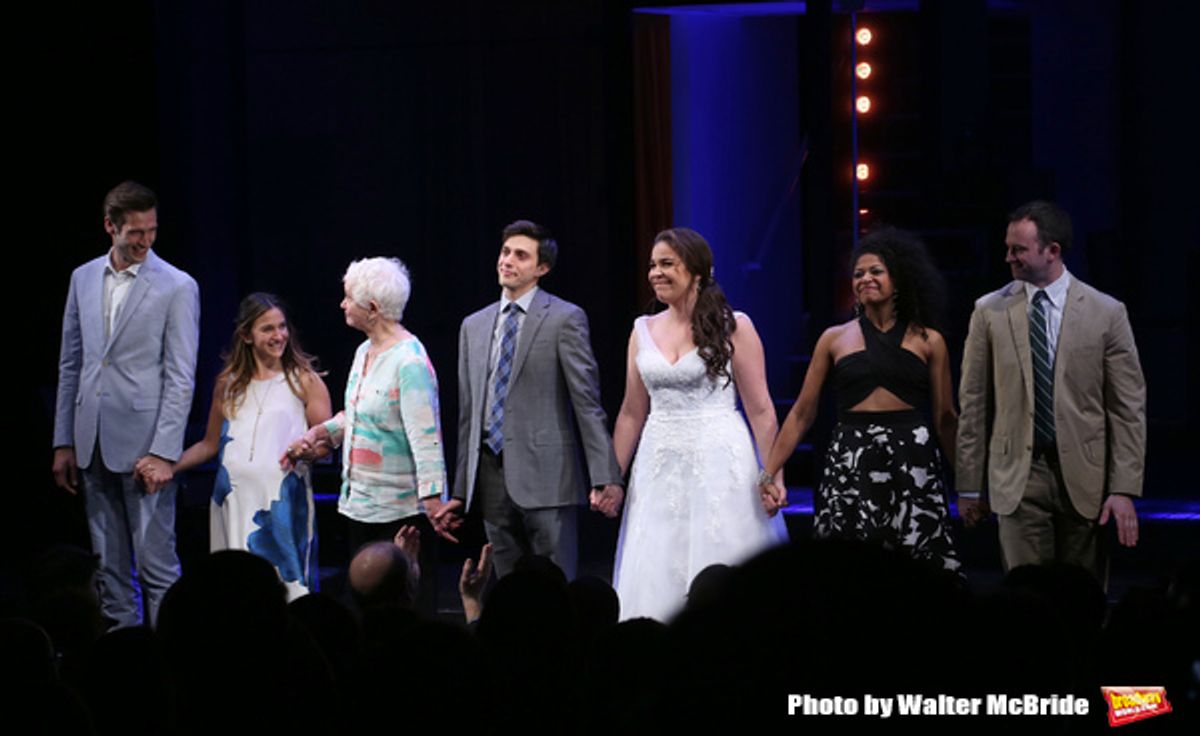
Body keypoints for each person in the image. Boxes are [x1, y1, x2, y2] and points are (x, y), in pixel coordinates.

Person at [956, 200, 1145, 584]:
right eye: (1008, 248)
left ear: (1052, 250)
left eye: (1018, 249)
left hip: (1085, 477)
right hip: (1017, 477)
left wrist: (1123, 488)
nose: (1008, 257)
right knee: (1026, 598)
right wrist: (969, 485)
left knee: (1084, 594)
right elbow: (973, 404)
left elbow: (1128, 408)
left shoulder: (1106, 312)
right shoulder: (988, 311)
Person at [610, 227, 788, 621]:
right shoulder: (642, 331)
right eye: (652, 265)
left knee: (721, 551)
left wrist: (772, 472)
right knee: (657, 559)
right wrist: (611, 477)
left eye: (667, 264)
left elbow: (761, 409)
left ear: (697, 272)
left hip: (719, 459)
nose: (656, 273)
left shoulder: (734, 325)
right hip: (659, 461)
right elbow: (631, 412)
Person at [761, 227, 961, 575]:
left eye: (875, 271)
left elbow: (946, 418)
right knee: (849, 567)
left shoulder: (929, 340)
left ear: (897, 280)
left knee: (916, 566)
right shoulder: (833, 339)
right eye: (858, 274)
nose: (865, 278)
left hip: (911, 458)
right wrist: (769, 471)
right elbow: (802, 414)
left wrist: (969, 484)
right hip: (852, 459)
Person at [438, 220, 623, 579]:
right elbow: (468, 416)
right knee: (508, 586)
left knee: (555, 581)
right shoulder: (473, 326)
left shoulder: (564, 318)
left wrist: (605, 475)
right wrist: (461, 489)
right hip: (491, 477)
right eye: (505, 252)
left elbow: (587, 403)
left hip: (547, 475)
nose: (507, 261)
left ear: (542, 268)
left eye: (520, 255)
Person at [52, 180, 200, 628]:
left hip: (145, 449)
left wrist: (163, 451)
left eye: (151, 230)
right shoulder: (82, 277)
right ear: (109, 226)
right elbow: (71, 363)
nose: (145, 241)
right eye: (135, 232)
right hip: (92, 440)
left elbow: (180, 375)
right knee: (107, 567)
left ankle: (169, 656)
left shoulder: (176, 285)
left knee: (156, 566)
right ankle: (123, 660)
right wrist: (64, 440)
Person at [285, 257, 449, 608]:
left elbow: (426, 436)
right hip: (361, 505)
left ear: (372, 308)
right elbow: (361, 414)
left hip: (398, 512)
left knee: (400, 606)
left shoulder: (410, 362)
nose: (343, 304)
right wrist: (322, 433)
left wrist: (434, 500)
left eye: (348, 298)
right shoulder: (364, 352)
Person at [172, 293, 331, 600]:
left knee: (289, 591)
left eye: (282, 327)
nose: (279, 335)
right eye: (268, 329)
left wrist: (312, 450)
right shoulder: (228, 384)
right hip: (234, 501)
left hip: (282, 504)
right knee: (236, 590)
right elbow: (209, 444)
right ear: (246, 335)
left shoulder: (304, 381)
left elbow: (325, 442)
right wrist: (171, 465)